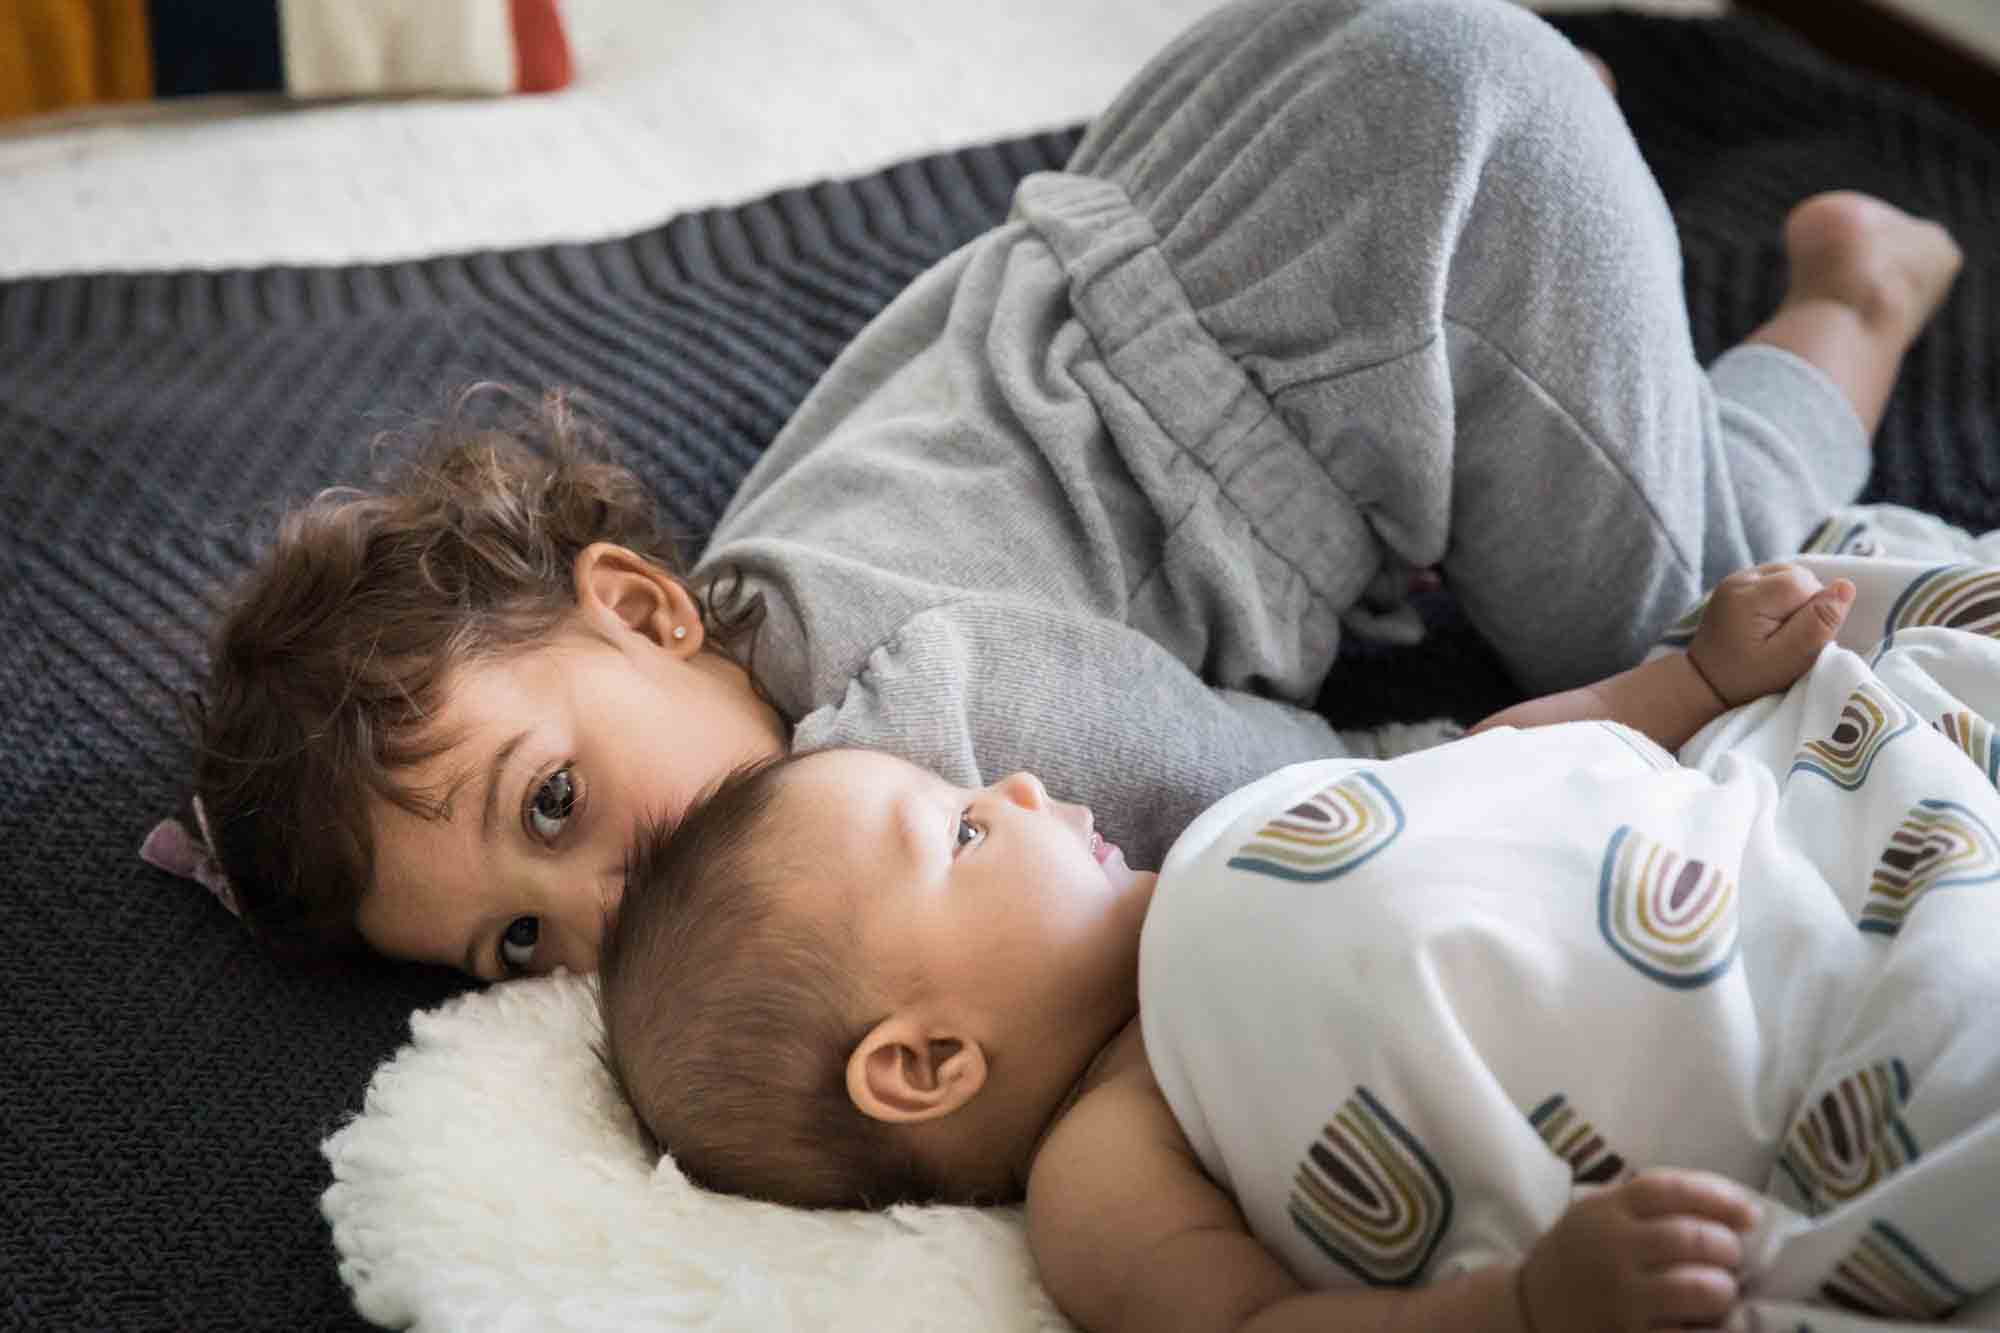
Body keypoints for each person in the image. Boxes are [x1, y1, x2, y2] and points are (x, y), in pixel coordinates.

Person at [168, 0, 1962, 978]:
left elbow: (1334, 796)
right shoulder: (739, 601)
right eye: (509, 945)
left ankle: (1853, 294)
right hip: (1248, 108)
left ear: (642, 605)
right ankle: (1527, 85)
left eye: (552, 805)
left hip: (1418, 232)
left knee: (1709, 617)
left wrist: (1653, 693)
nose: (601, 918)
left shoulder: (923, 725)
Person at [594, 554, 2000, 1332]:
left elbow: (1470, 769)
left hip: (1794, 848)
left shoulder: (1224, 839)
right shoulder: (1104, 1167)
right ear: (923, 1063)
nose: (1014, 786)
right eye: (960, 831)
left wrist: (1684, 681)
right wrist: (1525, 1308)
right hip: (1794, 1051)